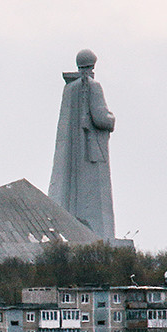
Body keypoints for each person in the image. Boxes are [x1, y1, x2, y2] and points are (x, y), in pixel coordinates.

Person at [47, 49, 117, 240]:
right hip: (92, 156)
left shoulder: (69, 89)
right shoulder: (93, 86)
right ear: (93, 66)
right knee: (96, 205)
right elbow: (101, 118)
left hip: (73, 159)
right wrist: (112, 119)